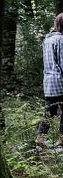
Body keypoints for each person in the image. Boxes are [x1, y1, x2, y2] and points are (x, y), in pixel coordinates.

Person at [38, 13, 63, 148]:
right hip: (60, 82)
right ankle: (62, 140)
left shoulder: (47, 39)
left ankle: (40, 139)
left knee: (49, 112)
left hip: (49, 82)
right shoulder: (61, 40)